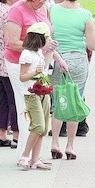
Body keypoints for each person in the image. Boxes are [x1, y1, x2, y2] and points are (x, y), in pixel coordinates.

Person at [4, 0, 61, 163]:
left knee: (42, 108)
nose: (43, 2)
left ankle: (34, 156)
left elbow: (47, 36)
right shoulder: (16, 10)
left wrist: (52, 52)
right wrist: (39, 47)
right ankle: (24, 155)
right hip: (21, 64)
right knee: (27, 108)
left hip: (42, 64)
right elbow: (12, 42)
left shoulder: (45, 8)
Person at [49, 0, 95, 160]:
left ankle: (54, 142)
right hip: (77, 60)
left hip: (56, 59)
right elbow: (93, 45)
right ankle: (70, 145)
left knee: (58, 101)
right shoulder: (85, 15)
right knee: (74, 101)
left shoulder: (52, 10)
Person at [17, 22, 54, 170]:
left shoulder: (38, 52)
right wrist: (35, 72)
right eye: (47, 38)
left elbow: (44, 67)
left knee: (43, 127)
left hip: (43, 91)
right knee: (38, 125)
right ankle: (24, 156)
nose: (48, 40)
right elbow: (22, 76)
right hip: (31, 93)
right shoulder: (26, 54)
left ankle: (35, 159)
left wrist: (51, 52)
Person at [0, 0, 22, 148]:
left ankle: (0, 134)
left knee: (3, 98)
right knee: (14, 99)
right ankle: (17, 135)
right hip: (7, 60)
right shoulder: (10, 13)